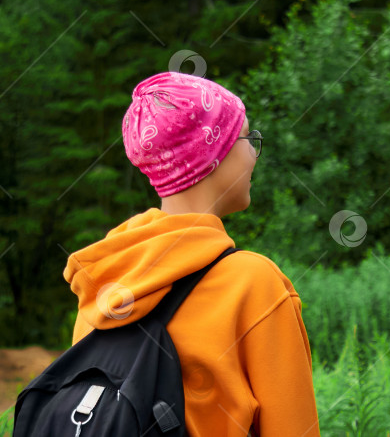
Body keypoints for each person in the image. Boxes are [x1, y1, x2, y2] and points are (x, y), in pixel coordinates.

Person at [63, 71, 320, 436]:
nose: (254, 153)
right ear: (214, 152)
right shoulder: (253, 283)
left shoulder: (104, 280)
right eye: (248, 137)